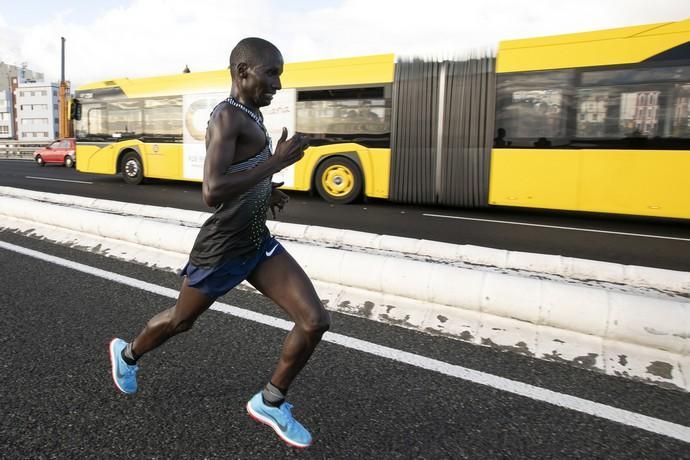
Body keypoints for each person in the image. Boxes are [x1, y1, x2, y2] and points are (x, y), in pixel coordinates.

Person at [108, 37, 330, 449]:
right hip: (223, 247)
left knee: (315, 320)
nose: (278, 84)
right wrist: (277, 161)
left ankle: (271, 401)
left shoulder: (252, 115)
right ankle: (128, 354)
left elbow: (244, 173)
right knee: (181, 320)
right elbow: (213, 190)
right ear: (243, 71)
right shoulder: (227, 117)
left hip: (256, 243)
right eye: (272, 74)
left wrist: (270, 188)